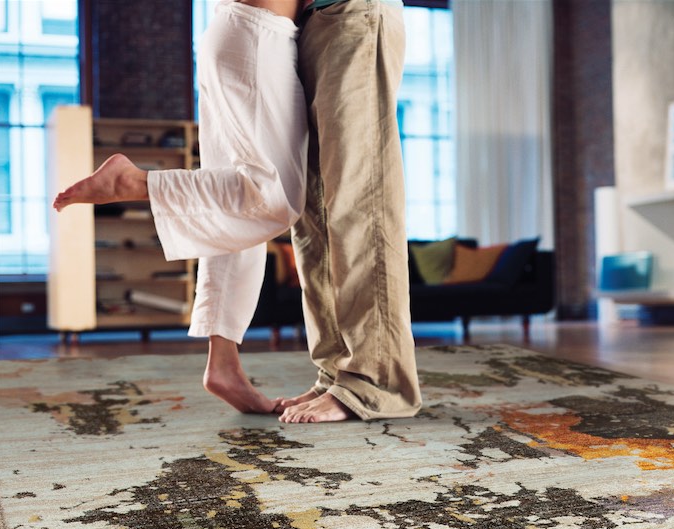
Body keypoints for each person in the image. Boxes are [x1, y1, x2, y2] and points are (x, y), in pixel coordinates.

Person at [54, 0, 308, 414]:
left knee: (231, 223)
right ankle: (134, 183)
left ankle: (223, 364)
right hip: (260, 37)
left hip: (238, 35)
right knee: (272, 197)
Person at [274, 0, 422, 423]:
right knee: (313, 217)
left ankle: (377, 381)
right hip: (307, 25)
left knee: (361, 202)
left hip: (350, 11)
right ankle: (337, 371)